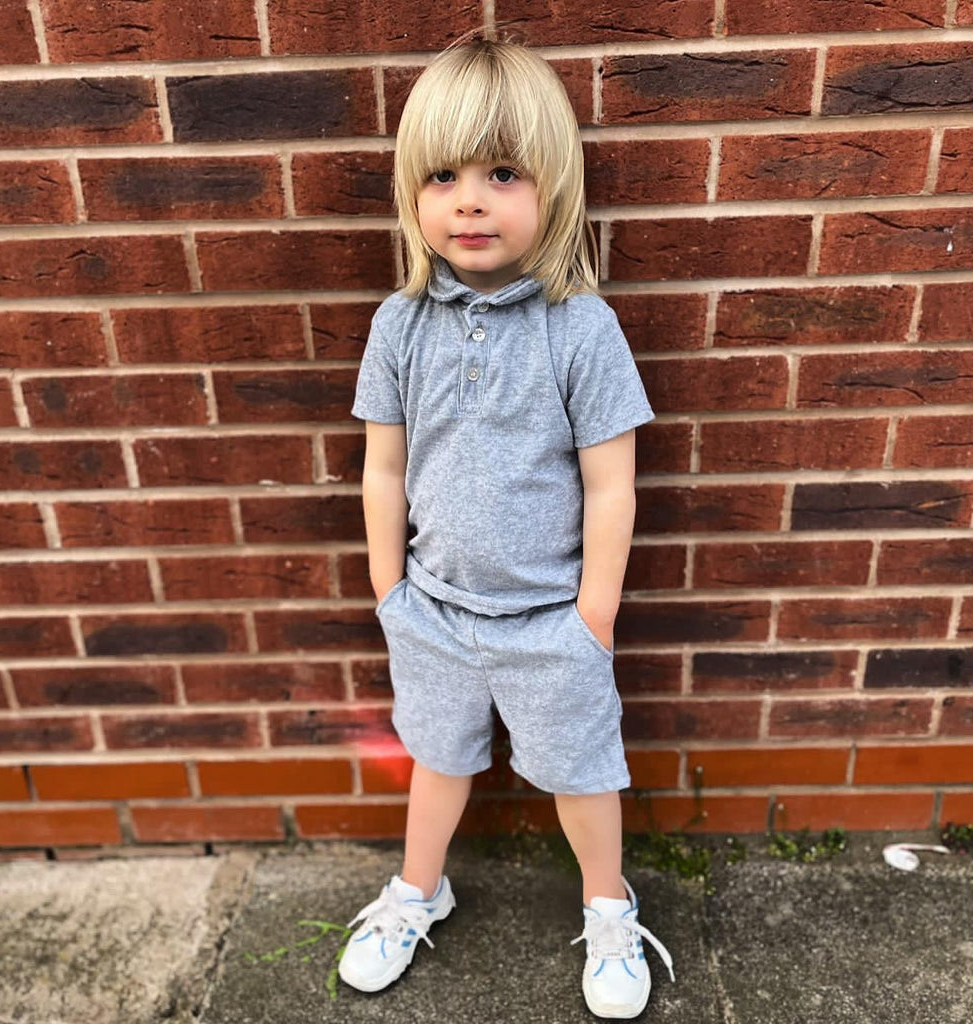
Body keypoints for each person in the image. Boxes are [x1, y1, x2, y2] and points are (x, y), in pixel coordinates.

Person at [339, 36, 675, 1019]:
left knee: (581, 773)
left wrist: (592, 617)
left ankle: (607, 906)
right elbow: (382, 468)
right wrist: (388, 591)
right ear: (413, 193)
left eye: (501, 173)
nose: (469, 202)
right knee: (436, 762)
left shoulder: (580, 329)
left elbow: (610, 485)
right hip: (434, 611)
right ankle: (418, 890)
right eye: (442, 176)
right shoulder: (399, 324)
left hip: (549, 622)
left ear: (550, 187)